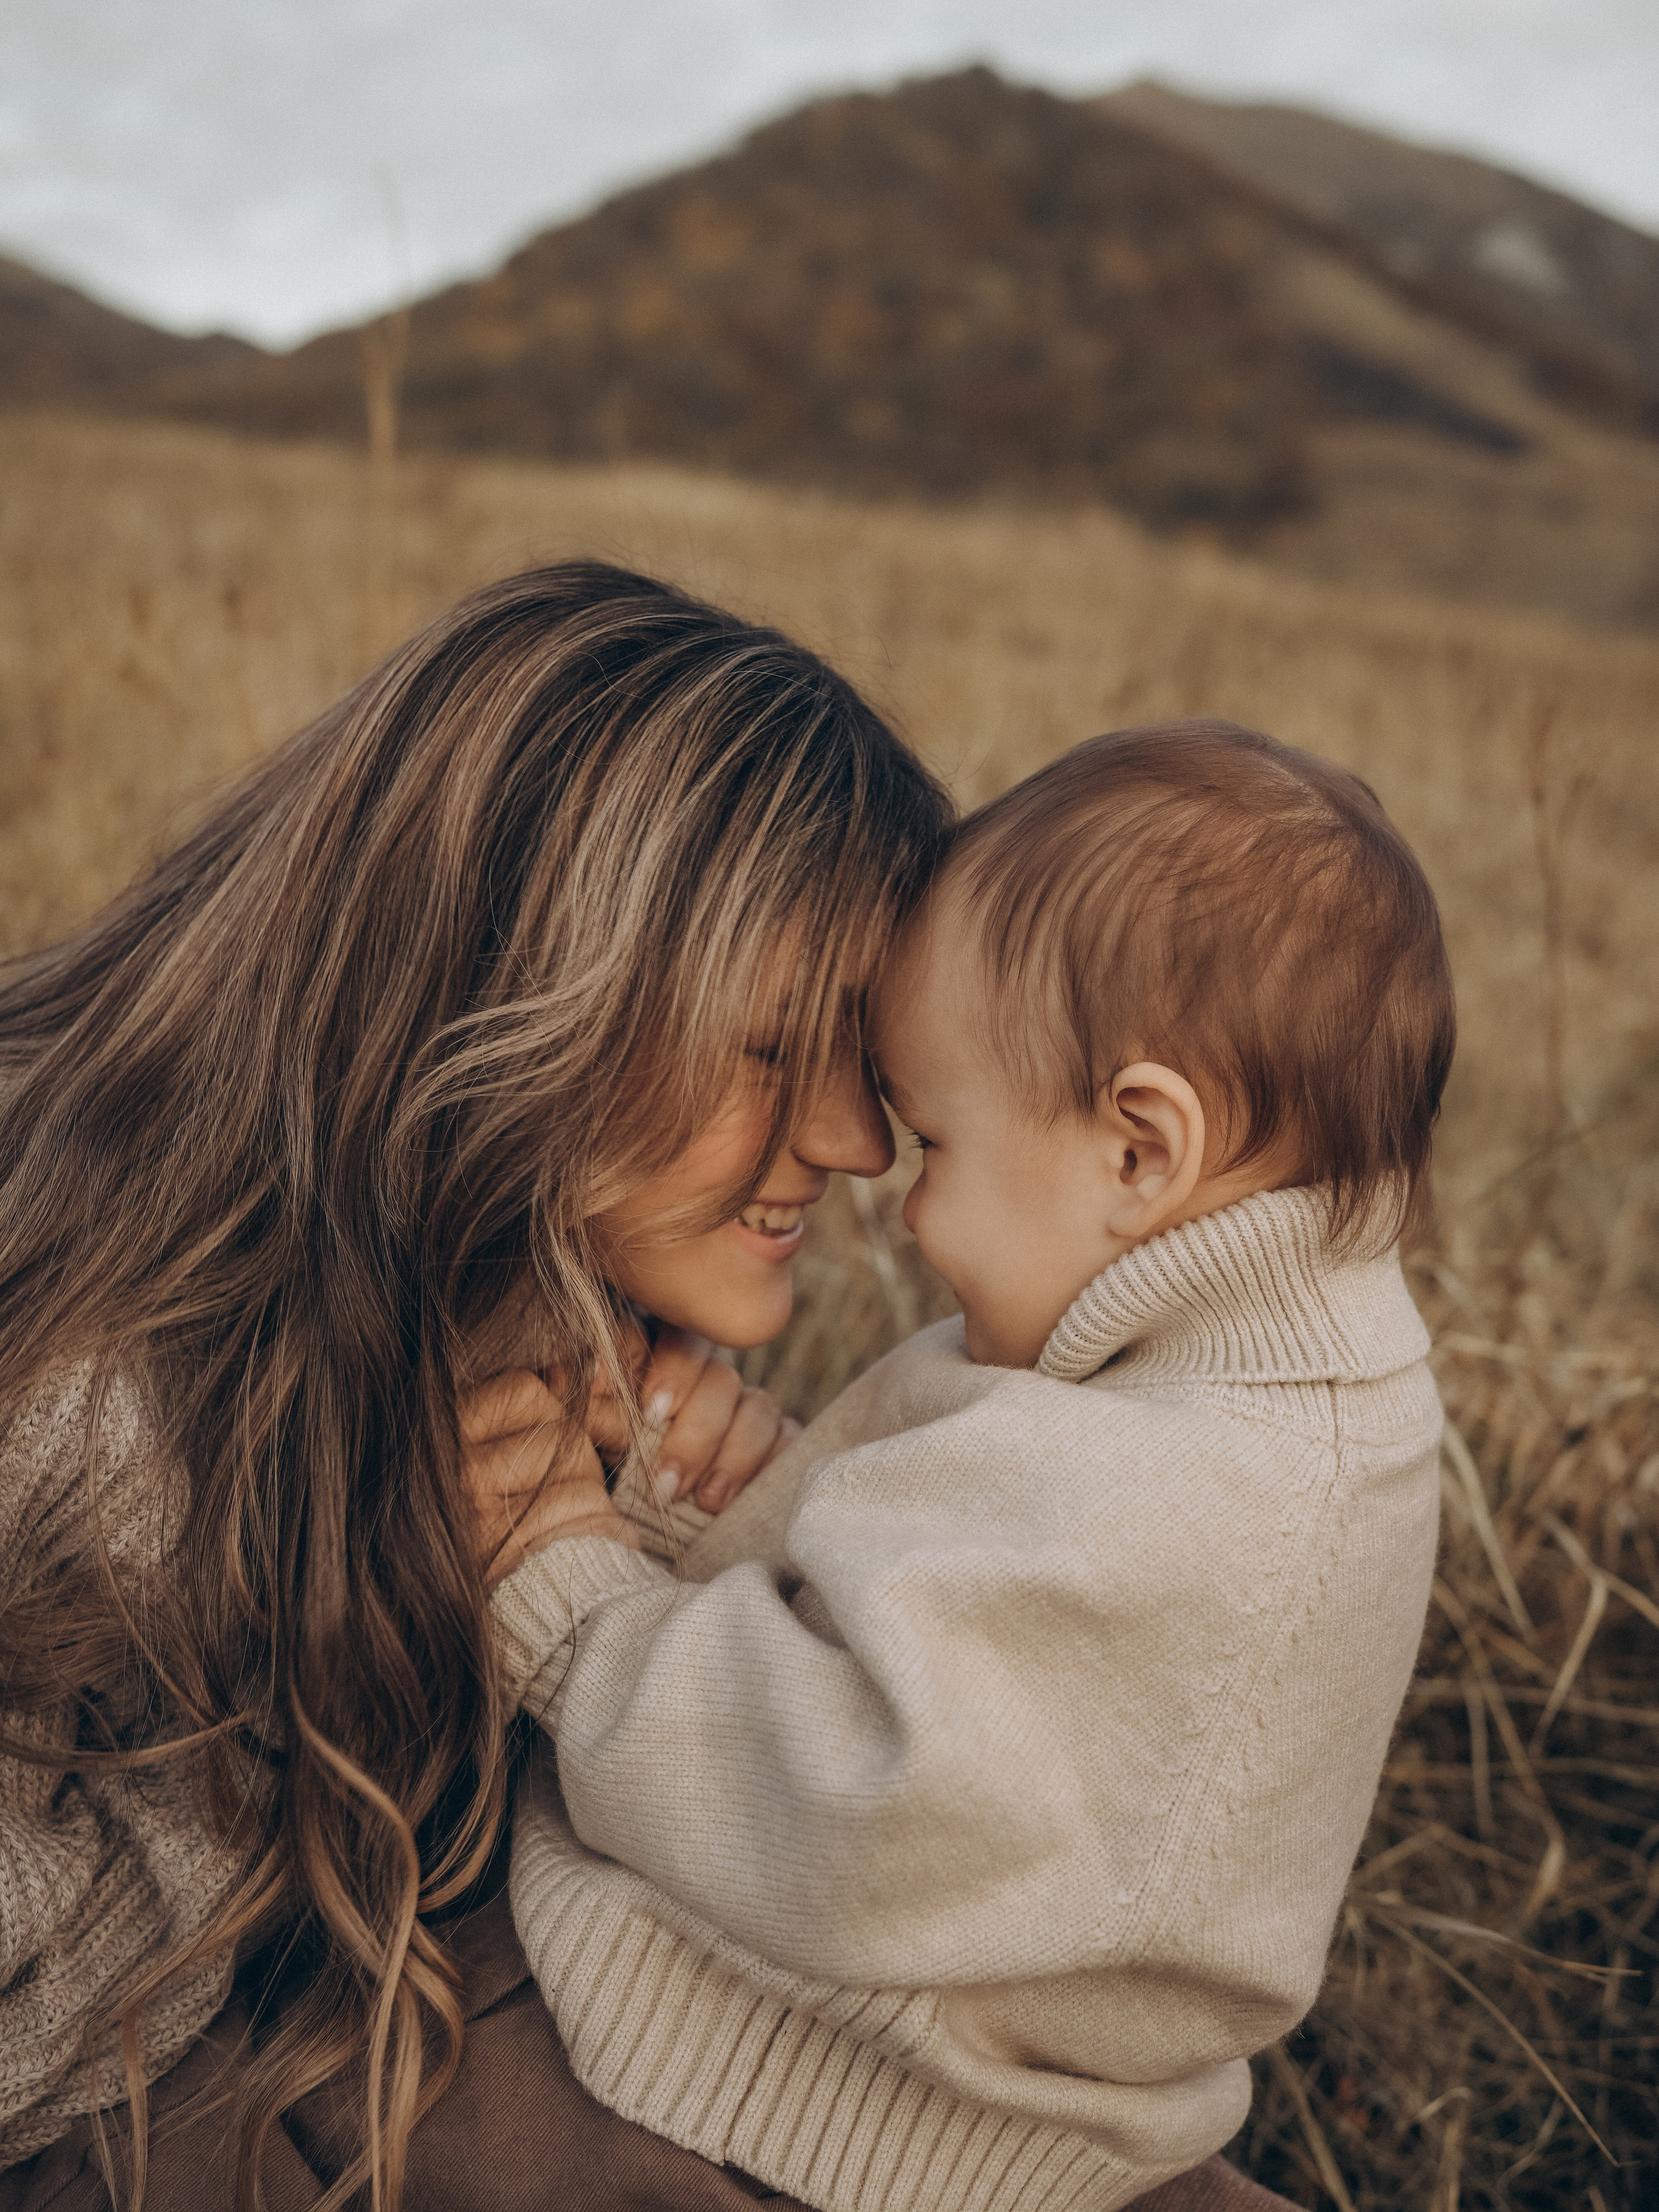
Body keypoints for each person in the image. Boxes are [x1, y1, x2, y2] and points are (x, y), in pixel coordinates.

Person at [0, 562, 950, 2207]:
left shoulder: (508, 1304)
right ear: (517, 983)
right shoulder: (89, 1400)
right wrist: (353, 1674)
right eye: (772, 1047)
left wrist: (670, 1540)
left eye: (864, 1057)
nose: (858, 1143)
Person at [494, 722, 1455, 2212]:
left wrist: (568, 1597)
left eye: (933, 1139)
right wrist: (704, 1494)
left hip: (792, 2104)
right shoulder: (1218, 1382)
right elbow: (938, 1604)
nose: (894, 1194)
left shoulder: (1183, 1495)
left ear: (1140, 1149)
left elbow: (841, 1811)